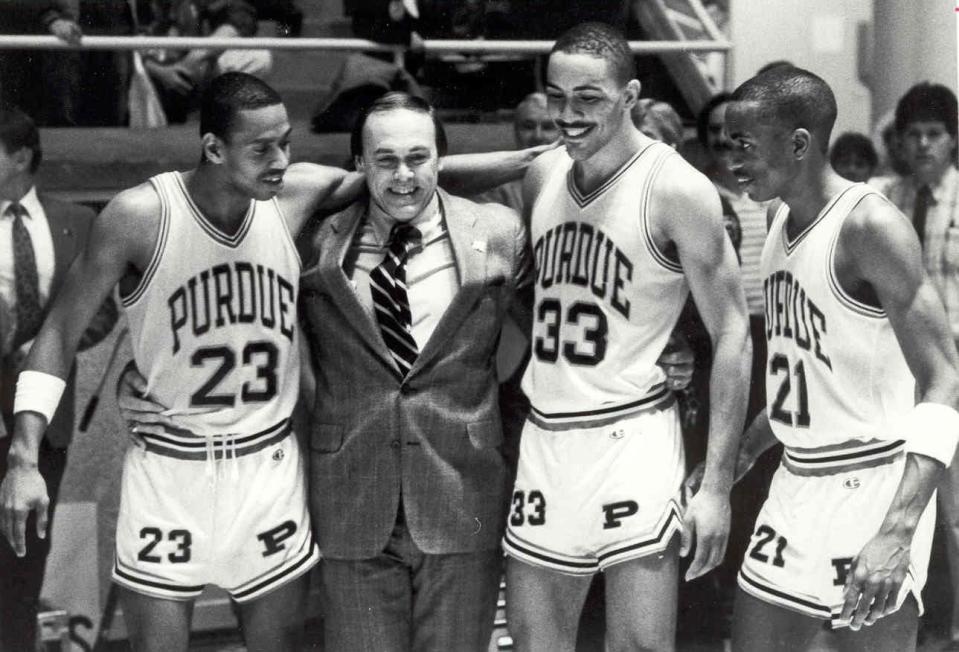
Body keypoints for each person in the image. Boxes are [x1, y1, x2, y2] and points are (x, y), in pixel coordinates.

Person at [0, 72, 546, 652]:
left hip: (267, 465)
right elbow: (57, 332)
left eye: (287, 142)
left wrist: (535, 158)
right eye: (263, 148)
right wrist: (24, 455)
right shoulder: (140, 215)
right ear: (212, 148)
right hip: (170, 465)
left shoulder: (291, 197)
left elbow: (403, 177)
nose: (282, 160)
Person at [502, 22, 750, 651]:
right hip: (548, 433)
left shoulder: (676, 188)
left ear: (630, 94)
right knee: (537, 644)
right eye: (557, 97)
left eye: (588, 98)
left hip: (632, 435)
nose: (568, 114)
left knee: (639, 647)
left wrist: (717, 485)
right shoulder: (542, 177)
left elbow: (732, 330)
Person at [720, 66, 959, 652]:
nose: (734, 161)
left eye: (744, 145)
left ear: (799, 144)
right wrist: (732, 463)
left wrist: (897, 530)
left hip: (873, 485)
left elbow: (946, 378)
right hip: (796, 478)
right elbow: (800, 380)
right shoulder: (777, 221)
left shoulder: (870, 225)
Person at [297, 91, 532, 651]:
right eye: (384, 160)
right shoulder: (315, 237)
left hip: (463, 491)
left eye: (418, 158)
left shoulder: (500, 231)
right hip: (351, 497)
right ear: (357, 166)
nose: (403, 175)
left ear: (442, 161)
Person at [0, 103, 117, 652]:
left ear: (19, 155)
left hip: (44, 426)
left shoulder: (79, 220)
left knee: (23, 570)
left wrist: (42, 347)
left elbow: (99, 313)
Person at [870, 81, 959, 651]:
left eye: (935, 134)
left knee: (957, 517)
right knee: (900, 503)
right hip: (897, 380)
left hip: (955, 374)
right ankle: (901, 627)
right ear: (899, 142)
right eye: (913, 135)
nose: (924, 145)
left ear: (953, 141)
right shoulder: (881, 198)